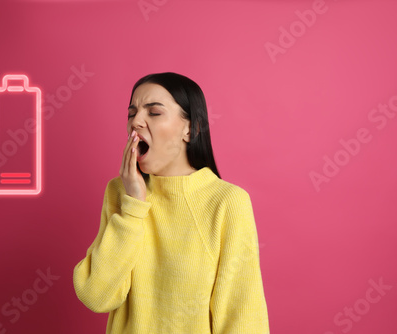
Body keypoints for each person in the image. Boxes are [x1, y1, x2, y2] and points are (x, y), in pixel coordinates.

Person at [73, 72, 270, 333]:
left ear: (191, 128)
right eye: (131, 113)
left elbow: (243, 316)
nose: (136, 122)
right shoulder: (121, 192)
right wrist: (133, 206)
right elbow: (96, 295)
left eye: (154, 113)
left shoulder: (227, 202)